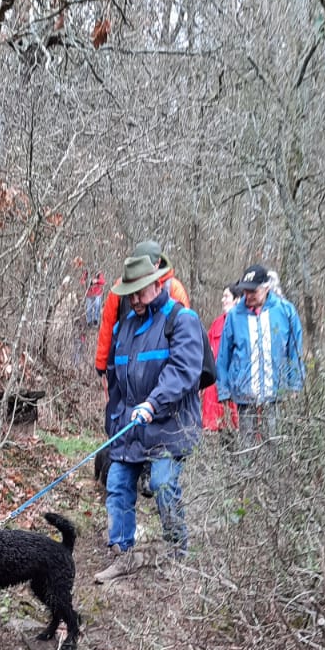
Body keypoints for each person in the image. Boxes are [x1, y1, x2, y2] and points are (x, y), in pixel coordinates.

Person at [94, 251, 204, 581]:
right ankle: (122, 552)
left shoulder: (182, 320)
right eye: (131, 294)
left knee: (162, 482)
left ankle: (177, 550)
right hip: (131, 426)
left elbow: (184, 371)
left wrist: (153, 404)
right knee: (117, 483)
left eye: (141, 292)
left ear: (158, 284)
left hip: (169, 425)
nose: (136, 300)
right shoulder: (125, 327)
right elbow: (117, 376)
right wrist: (115, 417)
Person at [215, 264, 305, 456]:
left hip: (276, 393)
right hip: (244, 393)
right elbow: (223, 356)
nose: (248, 295)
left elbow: (294, 352)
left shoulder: (286, 311)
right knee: (247, 448)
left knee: (275, 443)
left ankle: (274, 480)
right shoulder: (234, 317)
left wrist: (295, 384)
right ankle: (247, 482)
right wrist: (223, 391)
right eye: (245, 291)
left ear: (266, 288)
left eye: (253, 291)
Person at [94, 246, 189, 376]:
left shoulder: (173, 287)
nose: (135, 300)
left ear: (158, 263)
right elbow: (108, 324)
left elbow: (183, 335)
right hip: (126, 356)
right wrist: (102, 365)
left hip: (161, 364)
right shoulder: (120, 288)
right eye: (131, 295)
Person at [201, 286, 238, 432]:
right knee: (219, 432)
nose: (223, 300)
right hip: (215, 388)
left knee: (239, 432)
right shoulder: (216, 324)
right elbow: (206, 352)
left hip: (235, 386)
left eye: (226, 296)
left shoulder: (242, 323)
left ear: (237, 299)